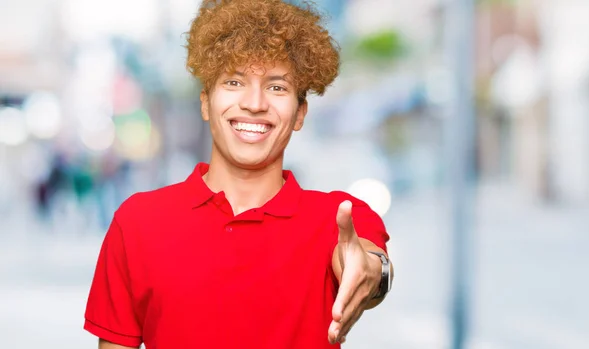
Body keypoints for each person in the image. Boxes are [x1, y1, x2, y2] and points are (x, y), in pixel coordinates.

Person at [84, 0, 394, 348]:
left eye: (277, 87)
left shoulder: (341, 218)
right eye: (234, 81)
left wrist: (371, 271)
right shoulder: (138, 222)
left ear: (300, 113)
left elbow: (370, 263)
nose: (255, 103)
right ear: (205, 102)